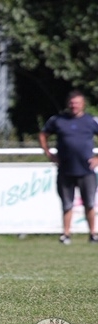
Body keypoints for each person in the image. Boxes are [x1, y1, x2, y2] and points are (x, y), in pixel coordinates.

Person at [39, 90, 98, 244]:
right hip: (66, 169)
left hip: (86, 170)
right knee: (67, 204)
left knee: (89, 203)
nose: (74, 106)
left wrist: (97, 158)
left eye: (77, 103)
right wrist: (49, 154)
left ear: (83, 104)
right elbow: (43, 135)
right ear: (68, 104)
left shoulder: (90, 121)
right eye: (72, 103)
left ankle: (93, 234)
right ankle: (66, 234)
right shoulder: (58, 120)